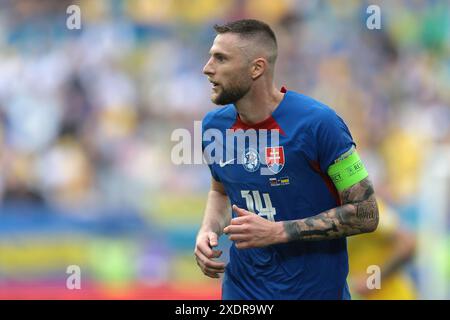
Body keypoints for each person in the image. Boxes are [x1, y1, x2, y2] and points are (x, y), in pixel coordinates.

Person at [195, 19, 379, 300]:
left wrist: (278, 231)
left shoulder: (320, 124)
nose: (207, 68)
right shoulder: (213, 128)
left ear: (257, 68)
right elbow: (220, 191)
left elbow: (367, 213)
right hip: (243, 291)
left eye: (220, 59)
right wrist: (208, 230)